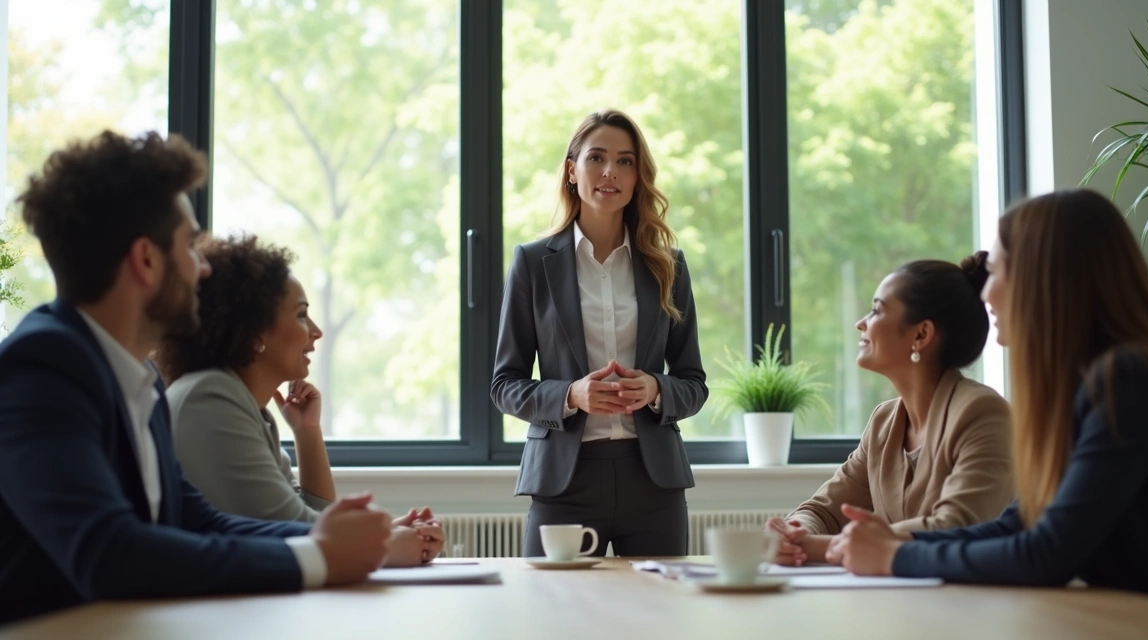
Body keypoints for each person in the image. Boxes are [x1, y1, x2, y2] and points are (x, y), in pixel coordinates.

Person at [0, 130, 394, 625]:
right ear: (146, 260)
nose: (203, 269)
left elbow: (197, 520)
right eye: (190, 246)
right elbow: (109, 551)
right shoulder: (42, 369)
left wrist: (331, 538)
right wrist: (317, 557)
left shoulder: (140, 380)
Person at [826, 189, 1148, 605]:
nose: (985, 294)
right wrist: (899, 544)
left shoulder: (1130, 381)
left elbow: (1047, 553)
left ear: (1044, 278)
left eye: (996, 272)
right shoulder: (1086, 389)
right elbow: (1017, 525)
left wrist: (895, 557)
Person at [491, 109, 707, 557]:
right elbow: (504, 385)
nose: (611, 171)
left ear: (637, 176)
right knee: (552, 602)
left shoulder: (668, 265)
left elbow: (694, 383)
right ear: (572, 170)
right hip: (563, 482)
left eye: (625, 161)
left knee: (657, 604)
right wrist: (571, 395)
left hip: (654, 485)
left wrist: (655, 389)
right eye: (597, 158)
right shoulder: (532, 263)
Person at [155, 235, 443, 565]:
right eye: (302, 315)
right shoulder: (211, 397)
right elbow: (300, 534)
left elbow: (313, 521)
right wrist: (387, 544)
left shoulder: (246, 407)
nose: (316, 331)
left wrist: (307, 433)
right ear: (254, 331)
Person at [766, 254, 1013, 565]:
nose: (861, 323)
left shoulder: (984, 414)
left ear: (921, 335)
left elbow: (954, 528)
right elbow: (823, 510)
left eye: (876, 310)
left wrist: (813, 547)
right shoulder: (884, 421)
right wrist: (794, 532)